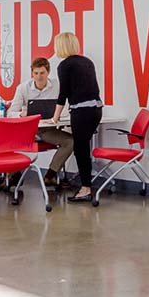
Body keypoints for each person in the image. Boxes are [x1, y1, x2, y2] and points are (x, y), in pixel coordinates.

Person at [9, 56, 74, 189]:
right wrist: (21, 114)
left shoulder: (57, 86)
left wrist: (58, 116)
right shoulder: (23, 88)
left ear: (48, 72)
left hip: (46, 129)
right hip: (27, 129)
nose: (39, 77)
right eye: (36, 73)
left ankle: (50, 175)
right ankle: (14, 176)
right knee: (9, 140)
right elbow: (11, 112)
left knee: (70, 141)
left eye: (42, 73)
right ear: (32, 73)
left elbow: (67, 107)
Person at [52, 32, 102, 204]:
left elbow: (63, 94)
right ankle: (86, 185)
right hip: (96, 109)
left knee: (80, 150)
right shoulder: (87, 61)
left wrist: (55, 117)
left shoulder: (64, 65)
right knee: (83, 148)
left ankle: (85, 189)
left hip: (81, 111)